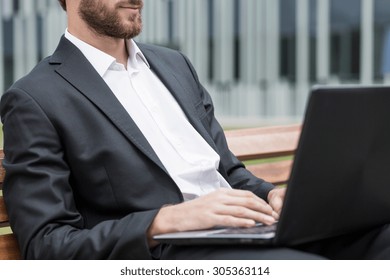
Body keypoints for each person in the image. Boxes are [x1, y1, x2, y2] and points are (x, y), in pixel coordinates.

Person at [0, 0, 389, 260]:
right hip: (177, 254)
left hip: (249, 231)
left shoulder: (173, 65)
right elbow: (46, 244)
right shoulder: (34, 98)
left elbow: (229, 171)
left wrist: (274, 196)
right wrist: (164, 221)